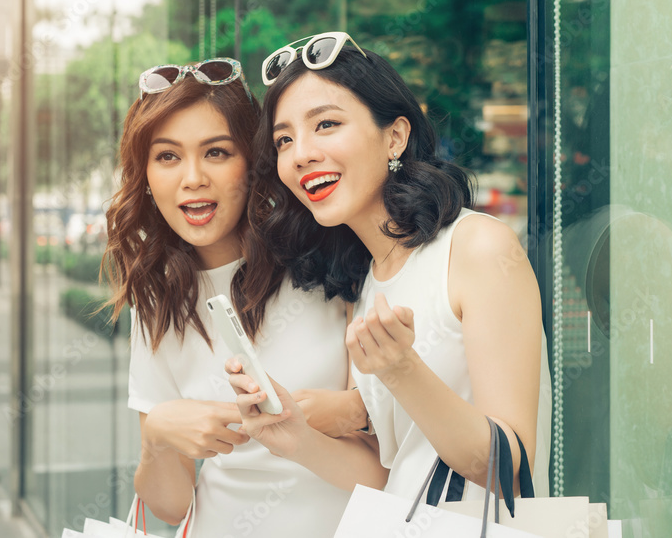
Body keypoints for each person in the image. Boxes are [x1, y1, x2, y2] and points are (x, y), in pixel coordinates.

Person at [228, 33, 552, 501]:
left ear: (395, 136)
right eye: (284, 139)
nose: (301, 154)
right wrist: (297, 439)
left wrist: (402, 370)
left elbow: (509, 468)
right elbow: (392, 476)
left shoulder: (477, 248)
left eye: (326, 125)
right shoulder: (366, 284)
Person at [103, 57, 358, 537]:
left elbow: (394, 442)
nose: (193, 177)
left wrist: (350, 410)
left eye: (216, 152)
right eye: (168, 156)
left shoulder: (326, 262)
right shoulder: (160, 299)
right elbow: (171, 507)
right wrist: (157, 438)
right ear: (147, 175)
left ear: (253, 162)